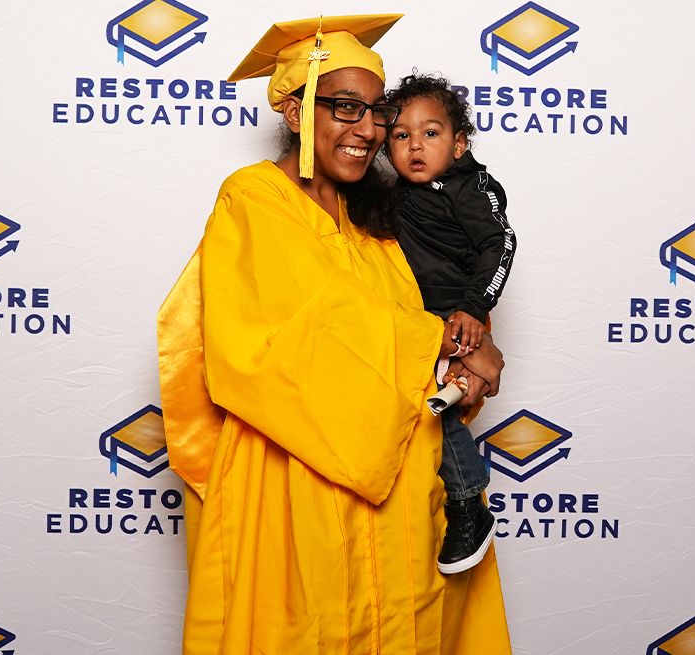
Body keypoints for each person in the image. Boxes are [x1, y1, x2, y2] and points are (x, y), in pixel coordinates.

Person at [156, 14, 512, 655]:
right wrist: (438, 340)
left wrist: (464, 351)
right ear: (295, 113)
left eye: (377, 111)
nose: (368, 130)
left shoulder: (378, 221)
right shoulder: (255, 199)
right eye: (345, 107)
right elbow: (293, 331)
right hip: (296, 483)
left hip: (404, 488)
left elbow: (423, 325)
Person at [385, 74, 518, 576]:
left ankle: (468, 503)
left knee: (434, 416)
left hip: (454, 321)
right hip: (412, 323)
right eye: (401, 135)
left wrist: (474, 310)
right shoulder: (395, 193)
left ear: (459, 143)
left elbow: (499, 244)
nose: (416, 144)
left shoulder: (469, 188)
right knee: (420, 410)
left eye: (432, 133)